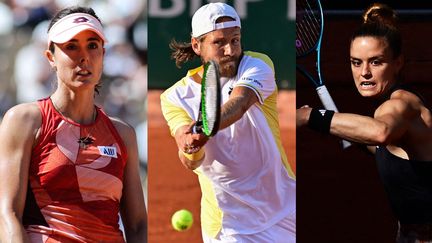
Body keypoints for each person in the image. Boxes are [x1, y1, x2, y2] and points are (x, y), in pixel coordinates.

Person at [0, 6, 147, 242]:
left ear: (103, 54)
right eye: (71, 46)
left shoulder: (123, 133)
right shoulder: (24, 121)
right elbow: (7, 214)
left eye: (92, 45)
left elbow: (138, 224)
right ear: (51, 57)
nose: (84, 57)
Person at [161, 2, 296, 242]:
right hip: (229, 228)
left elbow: (241, 102)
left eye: (235, 40)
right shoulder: (174, 97)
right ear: (196, 45)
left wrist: (206, 126)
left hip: (285, 209)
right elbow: (189, 154)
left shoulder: (256, 64)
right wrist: (191, 146)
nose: (230, 50)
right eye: (219, 42)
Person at [297, 3, 432, 242]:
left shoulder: (402, 104)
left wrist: (312, 117)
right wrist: (345, 131)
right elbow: (383, 148)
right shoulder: (395, 108)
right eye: (356, 62)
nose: (364, 73)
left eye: (376, 62)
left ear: (398, 63)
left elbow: (380, 132)